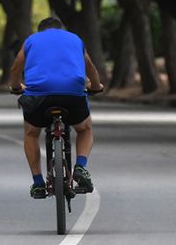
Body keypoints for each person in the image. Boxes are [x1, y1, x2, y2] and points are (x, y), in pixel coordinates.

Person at [8, 16, 104, 199]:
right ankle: (81, 166)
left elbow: (15, 67)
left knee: (31, 133)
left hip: (38, 96)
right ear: (61, 29)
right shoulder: (74, 39)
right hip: (72, 95)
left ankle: (37, 183)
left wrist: (15, 87)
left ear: (40, 30)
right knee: (84, 129)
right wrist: (96, 86)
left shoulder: (32, 40)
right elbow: (90, 67)